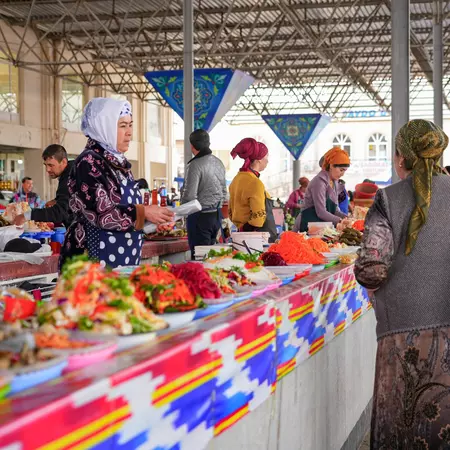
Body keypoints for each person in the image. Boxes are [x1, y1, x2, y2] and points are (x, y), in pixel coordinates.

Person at [354, 119, 450, 449]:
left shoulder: (387, 199)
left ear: (400, 158)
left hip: (402, 334)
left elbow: (371, 270)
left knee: (401, 427)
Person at [60, 98, 173, 269]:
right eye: (122, 126)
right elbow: (101, 213)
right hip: (94, 258)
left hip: (122, 258)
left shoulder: (117, 162)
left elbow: (126, 211)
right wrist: (144, 213)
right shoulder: (88, 162)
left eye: (130, 125)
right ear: (104, 127)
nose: (129, 132)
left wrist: (152, 221)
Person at [181, 129, 227, 259]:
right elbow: (224, 193)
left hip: (200, 218)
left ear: (192, 146)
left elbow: (189, 197)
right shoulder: (219, 162)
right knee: (214, 259)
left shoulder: (194, 165)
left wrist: (179, 213)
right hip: (216, 217)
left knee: (200, 260)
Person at [228, 138, 277, 243]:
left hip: (241, 236)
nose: (267, 161)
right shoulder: (255, 183)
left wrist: (241, 228)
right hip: (257, 239)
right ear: (259, 159)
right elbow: (258, 220)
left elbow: (230, 213)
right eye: (266, 157)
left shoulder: (236, 179)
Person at [13, 145, 74, 227]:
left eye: (51, 165)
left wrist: (27, 216)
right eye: (46, 165)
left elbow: (60, 212)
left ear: (63, 162)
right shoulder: (72, 171)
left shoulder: (70, 177)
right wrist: (57, 200)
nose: (47, 170)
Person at [299, 146, 350, 232]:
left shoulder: (334, 182)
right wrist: (340, 221)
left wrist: (347, 218)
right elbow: (321, 212)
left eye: (345, 171)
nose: (342, 174)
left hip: (321, 228)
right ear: (331, 166)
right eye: (341, 170)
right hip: (307, 226)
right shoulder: (319, 182)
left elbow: (336, 210)